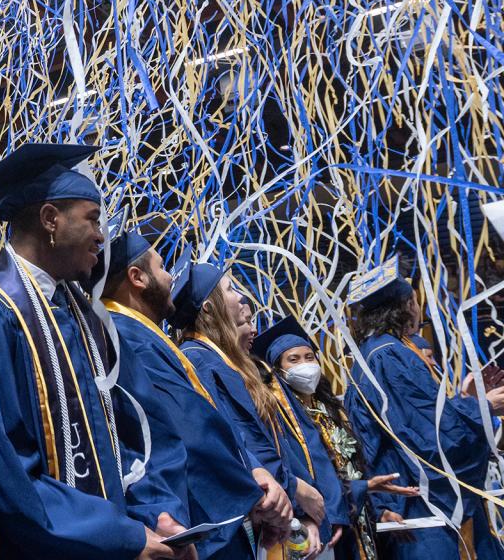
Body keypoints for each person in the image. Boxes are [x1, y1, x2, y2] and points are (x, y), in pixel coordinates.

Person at [0, 143, 190, 560]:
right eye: (92, 218)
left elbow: (139, 429)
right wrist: (116, 536)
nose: (101, 236)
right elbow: (2, 464)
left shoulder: (86, 316)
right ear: (49, 219)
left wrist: (158, 514)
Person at [100, 233, 292, 559]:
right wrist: (253, 493)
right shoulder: (126, 337)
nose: (170, 278)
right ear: (137, 277)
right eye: (162, 267)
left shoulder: (142, 334)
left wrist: (254, 471)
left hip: (214, 505)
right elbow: (190, 428)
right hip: (193, 516)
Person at [344, 257, 504, 560]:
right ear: (406, 306)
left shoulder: (373, 354)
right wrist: (484, 408)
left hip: (402, 496)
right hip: (419, 501)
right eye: (416, 301)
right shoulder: (389, 356)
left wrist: (468, 400)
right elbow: (430, 433)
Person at [171, 262, 330, 557]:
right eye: (230, 290)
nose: (241, 298)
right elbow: (243, 439)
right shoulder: (200, 362)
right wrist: (293, 488)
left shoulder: (219, 360)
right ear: (209, 307)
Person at [253, 316, 420, 560]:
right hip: (322, 522)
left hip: (354, 520)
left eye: (309, 357)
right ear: (278, 370)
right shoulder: (280, 420)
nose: (305, 365)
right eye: (294, 359)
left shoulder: (332, 410)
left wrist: (375, 503)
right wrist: (362, 489)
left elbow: (349, 470)